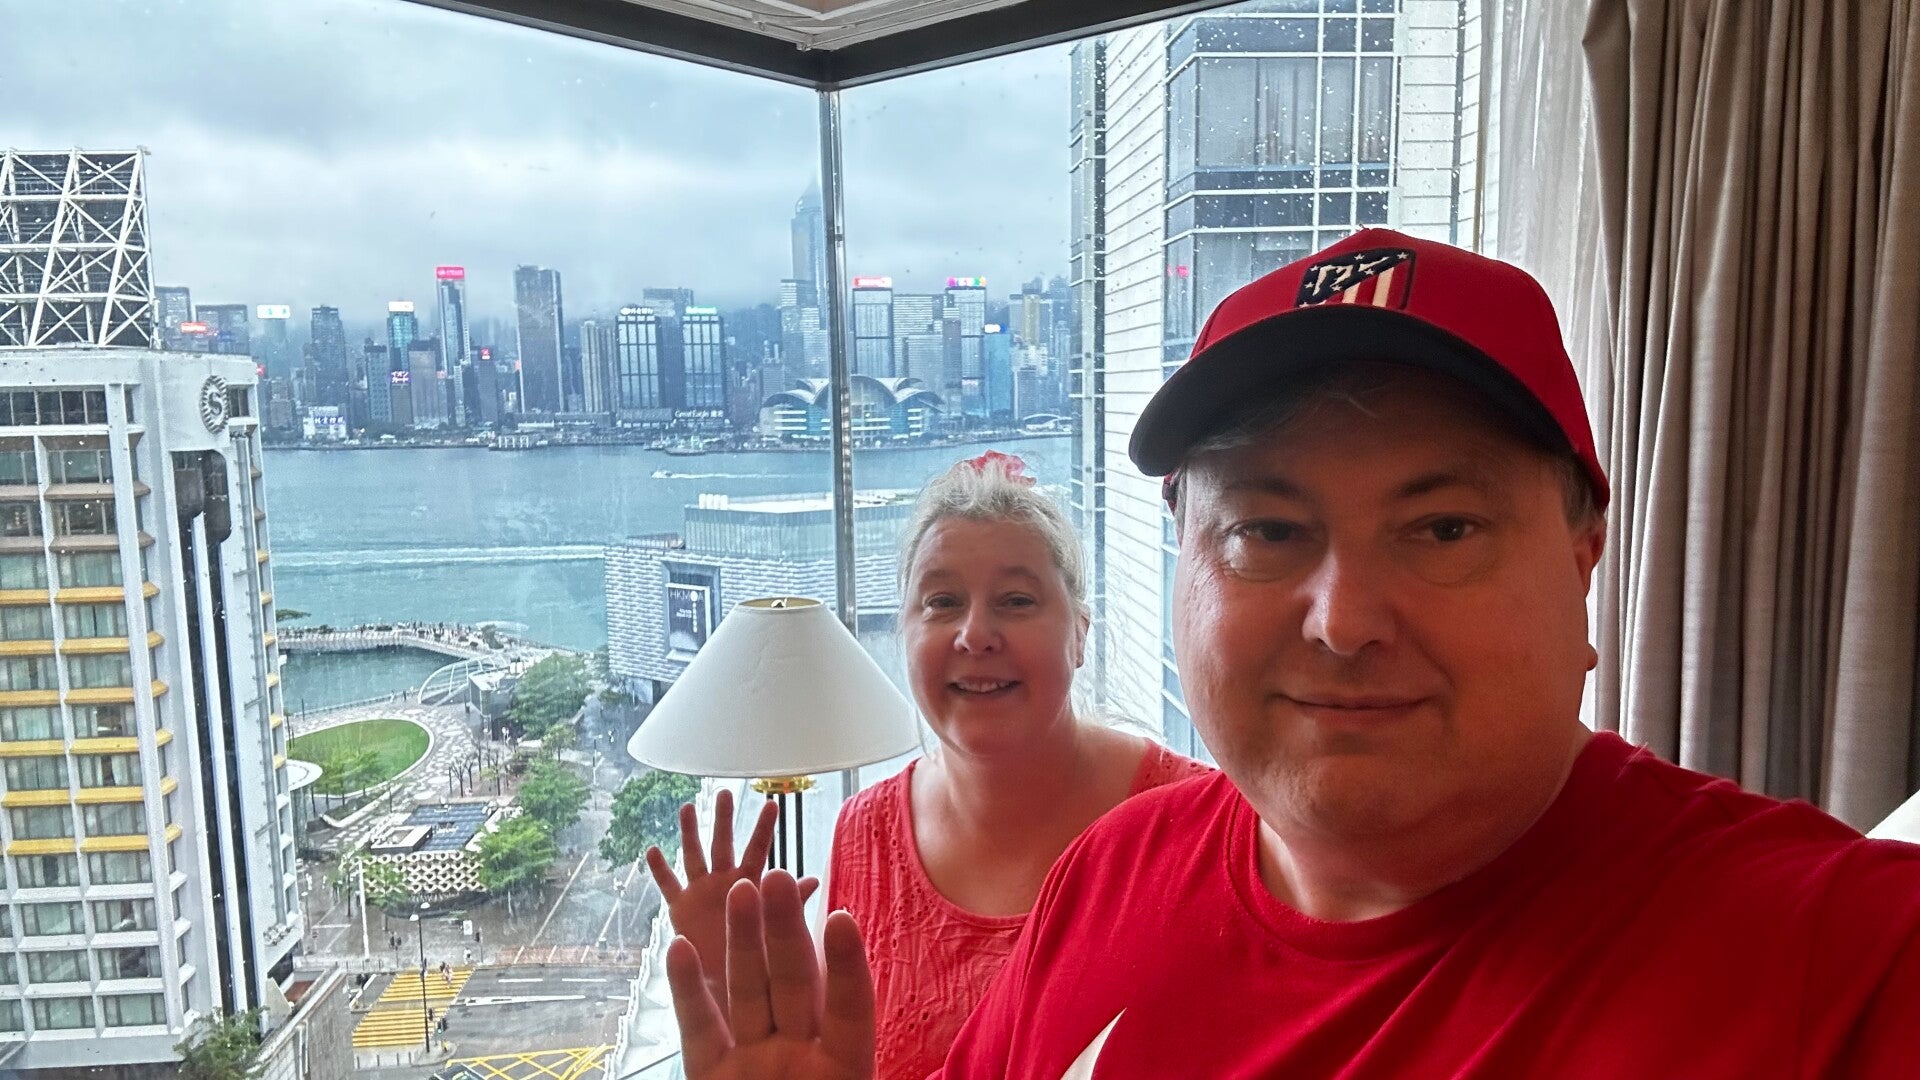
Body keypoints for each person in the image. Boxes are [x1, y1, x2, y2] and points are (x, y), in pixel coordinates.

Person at [663, 229, 1920, 1078]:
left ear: (1584, 556)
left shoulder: (1840, 966)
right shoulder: (1106, 877)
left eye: (1443, 527)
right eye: (1267, 531)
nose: (1343, 619)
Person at [647, 450, 1208, 1080]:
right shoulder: (864, 833)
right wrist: (730, 989)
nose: (975, 634)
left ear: (1080, 633)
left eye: (1016, 601)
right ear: (905, 635)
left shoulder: (1201, 826)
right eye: (942, 602)